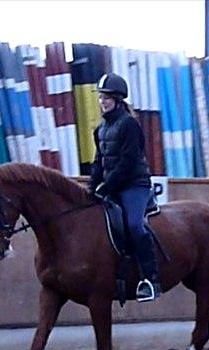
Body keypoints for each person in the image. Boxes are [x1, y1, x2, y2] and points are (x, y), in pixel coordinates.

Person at [88, 73, 161, 302]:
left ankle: (150, 280)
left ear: (118, 99)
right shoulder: (99, 130)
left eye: (106, 98)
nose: (102, 101)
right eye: (100, 97)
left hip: (134, 185)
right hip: (113, 185)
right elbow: (99, 161)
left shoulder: (129, 125)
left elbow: (129, 161)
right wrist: (92, 187)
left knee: (134, 225)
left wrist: (107, 186)